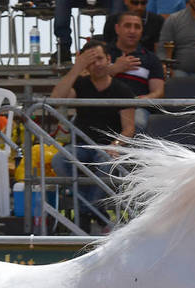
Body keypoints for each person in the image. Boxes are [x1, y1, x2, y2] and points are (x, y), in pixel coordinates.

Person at [50, 41, 134, 231]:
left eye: (99, 59)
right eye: (91, 60)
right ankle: (95, 210)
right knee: (60, 161)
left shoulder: (122, 89)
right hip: (81, 146)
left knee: (105, 163)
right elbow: (56, 99)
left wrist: (116, 144)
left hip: (107, 146)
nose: (96, 64)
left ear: (108, 60)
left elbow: (129, 128)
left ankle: (85, 211)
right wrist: (76, 68)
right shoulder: (79, 84)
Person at [106, 11, 165, 130]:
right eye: (127, 26)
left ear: (142, 31)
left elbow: (158, 93)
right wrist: (113, 69)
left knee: (138, 122)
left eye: (137, 27)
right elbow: (87, 80)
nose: (132, 31)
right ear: (117, 28)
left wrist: (138, 101)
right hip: (105, 105)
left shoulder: (151, 59)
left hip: (137, 108)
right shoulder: (103, 53)